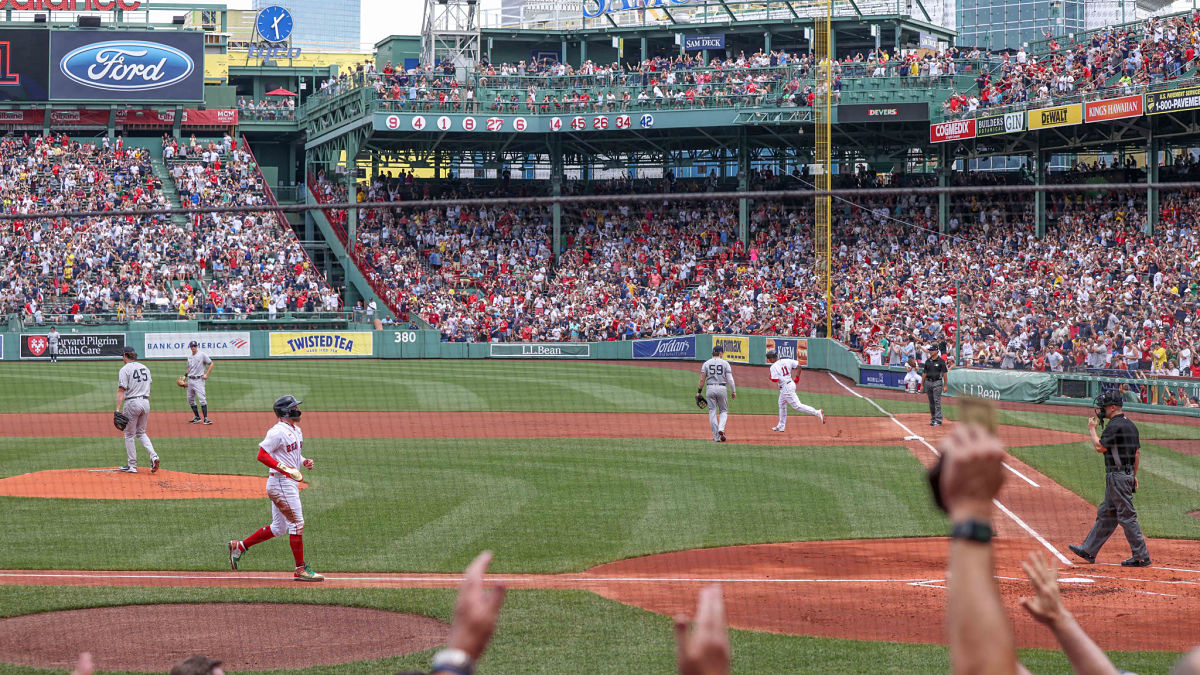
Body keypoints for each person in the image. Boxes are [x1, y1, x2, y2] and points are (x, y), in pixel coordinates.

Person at [227, 395, 324, 581]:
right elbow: (262, 455)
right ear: (286, 412)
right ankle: (300, 569)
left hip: (286, 483)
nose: (298, 410)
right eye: (294, 407)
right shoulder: (277, 432)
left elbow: (292, 453)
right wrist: (286, 469)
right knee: (297, 524)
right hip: (281, 483)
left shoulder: (296, 430)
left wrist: (304, 461)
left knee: (279, 528)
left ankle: (240, 546)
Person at [1069, 391, 1151, 567]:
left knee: (1127, 516)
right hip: (1125, 475)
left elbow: (1100, 447)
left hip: (1117, 476)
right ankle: (1089, 550)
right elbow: (1137, 453)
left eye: (1104, 406)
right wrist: (1133, 475)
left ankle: (1141, 556)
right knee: (1107, 513)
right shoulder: (1131, 425)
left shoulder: (1114, 426)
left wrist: (1092, 429)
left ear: (1113, 408)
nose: (1101, 410)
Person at [116, 347, 160, 474]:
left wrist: (117, 409)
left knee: (129, 435)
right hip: (145, 402)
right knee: (141, 432)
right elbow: (149, 389)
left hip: (132, 402)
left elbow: (121, 390)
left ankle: (132, 466)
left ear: (125, 355)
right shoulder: (145, 368)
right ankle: (154, 456)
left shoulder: (125, 369)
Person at [765, 348, 824, 431]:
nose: (769, 360)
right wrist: (797, 377)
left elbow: (775, 380)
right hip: (791, 384)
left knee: (797, 406)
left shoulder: (773, 367)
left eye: (769, 359)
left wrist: (770, 377)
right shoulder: (787, 360)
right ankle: (781, 426)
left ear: (772, 358)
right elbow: (799, 365)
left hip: (786, 388)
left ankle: (817, 412)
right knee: (781, 404)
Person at [698, 345, 735, 442]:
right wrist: (733, 391)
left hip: (710, 388)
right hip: (722, 387)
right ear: (720, 353)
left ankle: (716, 436)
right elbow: (730, 380)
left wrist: (699, 392)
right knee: (723, 411)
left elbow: (702, 379)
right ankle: (721, 429)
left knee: (712, 411)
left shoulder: (706, 363)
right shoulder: (725, 363)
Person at [184, 340, 214, 424]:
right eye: (192, 346)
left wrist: (207, 374)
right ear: (190, 347)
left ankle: (206, 419)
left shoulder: (202, 355)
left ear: (197, 346)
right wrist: (184, 376)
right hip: (190, 380)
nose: (193, 347)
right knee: (190, 399)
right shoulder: (189, 357)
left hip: (199, 380)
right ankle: (197, 417)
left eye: (195, 346)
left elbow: (211, 363)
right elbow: (189, 368)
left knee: (202, 399)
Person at [923, 342, 949, 426]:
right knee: (931, 402)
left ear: (937, 351)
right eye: (930, 350)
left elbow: (944, 373)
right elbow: (924, 373)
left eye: (932, 350)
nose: (930, 351)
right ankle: (933, 418)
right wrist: (922, 385)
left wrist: (945, 385)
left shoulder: (941, 361)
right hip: (928, 382)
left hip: (937, 382)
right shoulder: (927, 361)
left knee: (937, 401)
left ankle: (938, 420)